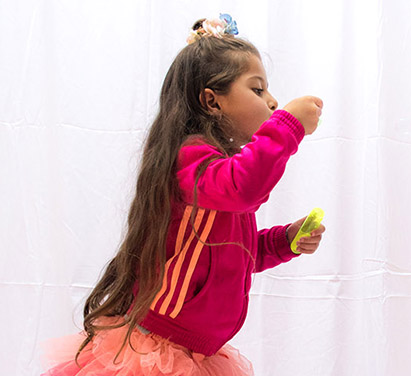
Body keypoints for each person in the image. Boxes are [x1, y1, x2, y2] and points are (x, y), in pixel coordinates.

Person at [42, 14, 325, 375]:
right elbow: (245, 187)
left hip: (197, 353)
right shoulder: (193, 158)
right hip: (157, 352)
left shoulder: (220, 172)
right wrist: (289, 124)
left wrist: (284, 241)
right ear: (212, 100)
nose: (272, 102)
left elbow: (231, 254)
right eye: (257, 90)